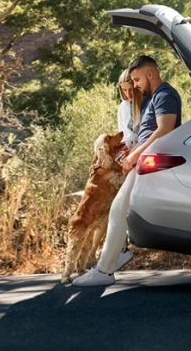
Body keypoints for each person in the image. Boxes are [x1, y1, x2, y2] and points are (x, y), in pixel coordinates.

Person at [73, 55, 183, 287]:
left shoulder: (165, 95)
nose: (134, 85)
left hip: (151, 161)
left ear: (150, 74)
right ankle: (117, 254)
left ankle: (104, 270)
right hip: (145, 160)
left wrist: (134, 155)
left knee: (118, 209)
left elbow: (164, 129)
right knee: (121, 210)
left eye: (136, 79)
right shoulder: (153, 98)